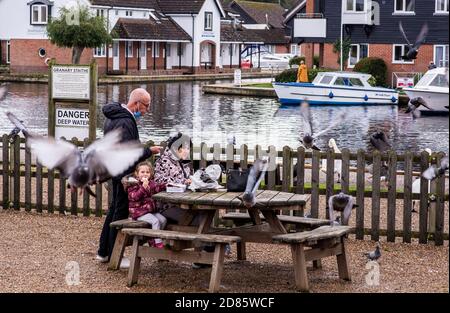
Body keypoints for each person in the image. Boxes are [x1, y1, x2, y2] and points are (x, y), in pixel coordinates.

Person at [96, 88, 162, 267]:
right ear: (137, 103)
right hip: (123, 173)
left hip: (114, 170)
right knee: (119, 212)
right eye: (146, 106)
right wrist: (149, 151)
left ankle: (103, 251)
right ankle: (113, 255)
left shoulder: (114, 116)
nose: (147, 110)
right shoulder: (126, 122)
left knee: (113, 210)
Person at [154, 132, 193, 223]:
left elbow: (187, 178)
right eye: (185, 148)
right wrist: (183, 182)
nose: (187, 151)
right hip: (166, 206)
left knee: (201, 215)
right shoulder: (164, 161)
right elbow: (158, 182)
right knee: (196, 220)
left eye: (188, 148)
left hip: (183, 202)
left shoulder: (183, 162)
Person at [126, 161, 167, 248]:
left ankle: (153, 237)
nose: (145, 174)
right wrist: (143, 188)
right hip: (138, 212)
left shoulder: (151, 183)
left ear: (151, 174)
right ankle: (158, 242)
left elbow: (157, 187)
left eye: (147, 172)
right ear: (137, 174)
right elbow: (134, 197)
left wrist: (167, 185)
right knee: (155, 221)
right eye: (142, 172)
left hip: (149, 211)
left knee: (163, 220)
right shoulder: (133, 184)